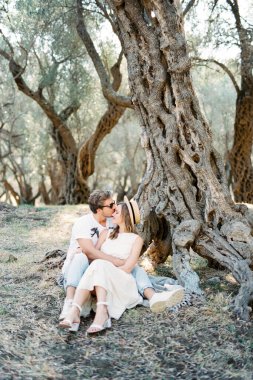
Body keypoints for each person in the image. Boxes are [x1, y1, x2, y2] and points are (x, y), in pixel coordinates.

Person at [59, 197, 184, 334]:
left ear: (125, 216)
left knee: (100, 264)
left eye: (116, 212)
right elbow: (93, 255)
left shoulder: (137, 240)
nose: (112, 213)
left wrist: (108, 270)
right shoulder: (105, 234)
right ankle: (86, 312)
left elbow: (128, 268)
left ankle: (78, 312)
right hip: (99, 278)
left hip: (122, 281)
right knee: (98, 264)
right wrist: (82, 252)